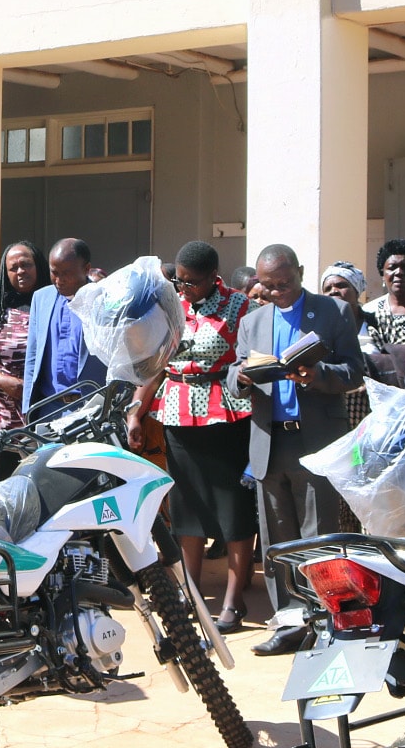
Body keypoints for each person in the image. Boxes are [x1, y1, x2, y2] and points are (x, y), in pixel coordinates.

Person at [237, 244, 366, 654]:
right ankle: (291, 623)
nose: (277, 292)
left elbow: (354, 371)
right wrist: (237, 378)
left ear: (301, 272)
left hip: (313, 440)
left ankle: (330, 621)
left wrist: (316, 374)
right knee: (278, 540)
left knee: (319, 537)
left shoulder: (333, 312)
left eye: (285, 283)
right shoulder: (253, 321)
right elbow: (235, 370)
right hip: (268, 440)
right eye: (268, 286)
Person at [129, 241, 256, 633]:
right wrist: (136, 409)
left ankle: (234, 600)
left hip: (225, 413)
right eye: (179, 281)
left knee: (232, 508)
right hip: (177, 412)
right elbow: (155, 363)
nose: (184, 289)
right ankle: (192, 593)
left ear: (213, 276)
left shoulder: (238, 306)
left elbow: (248, 358)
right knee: (187, 508)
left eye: (192, 282)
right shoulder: (173, 306)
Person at [0, 241, 48, 442]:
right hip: (4, 421)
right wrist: (0, 379)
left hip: (48, 412)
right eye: (13, 268)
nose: (20, 271)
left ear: (38, 265)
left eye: (26, 264)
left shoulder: (54, 304)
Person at [21, 238, 107, 418]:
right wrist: (27, 409)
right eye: (54, 272)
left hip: (91, 408)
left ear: (86, 269)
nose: (59, 280)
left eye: (66, 273)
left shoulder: (104, 300)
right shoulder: (41, 298)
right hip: (48, 408)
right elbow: (33, 357)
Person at [362, 239, 405, 384]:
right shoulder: (369, 312)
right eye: (392, 267)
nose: (398, 272)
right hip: (384, 386)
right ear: (383, 274)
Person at [320, 261, 371, 428]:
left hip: (372, 415)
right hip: (332, 416)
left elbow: (399, 357)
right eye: (327, 288)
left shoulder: (376, 323)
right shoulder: (318, 331)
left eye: (341, 285)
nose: (334, 291)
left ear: (357, 291)